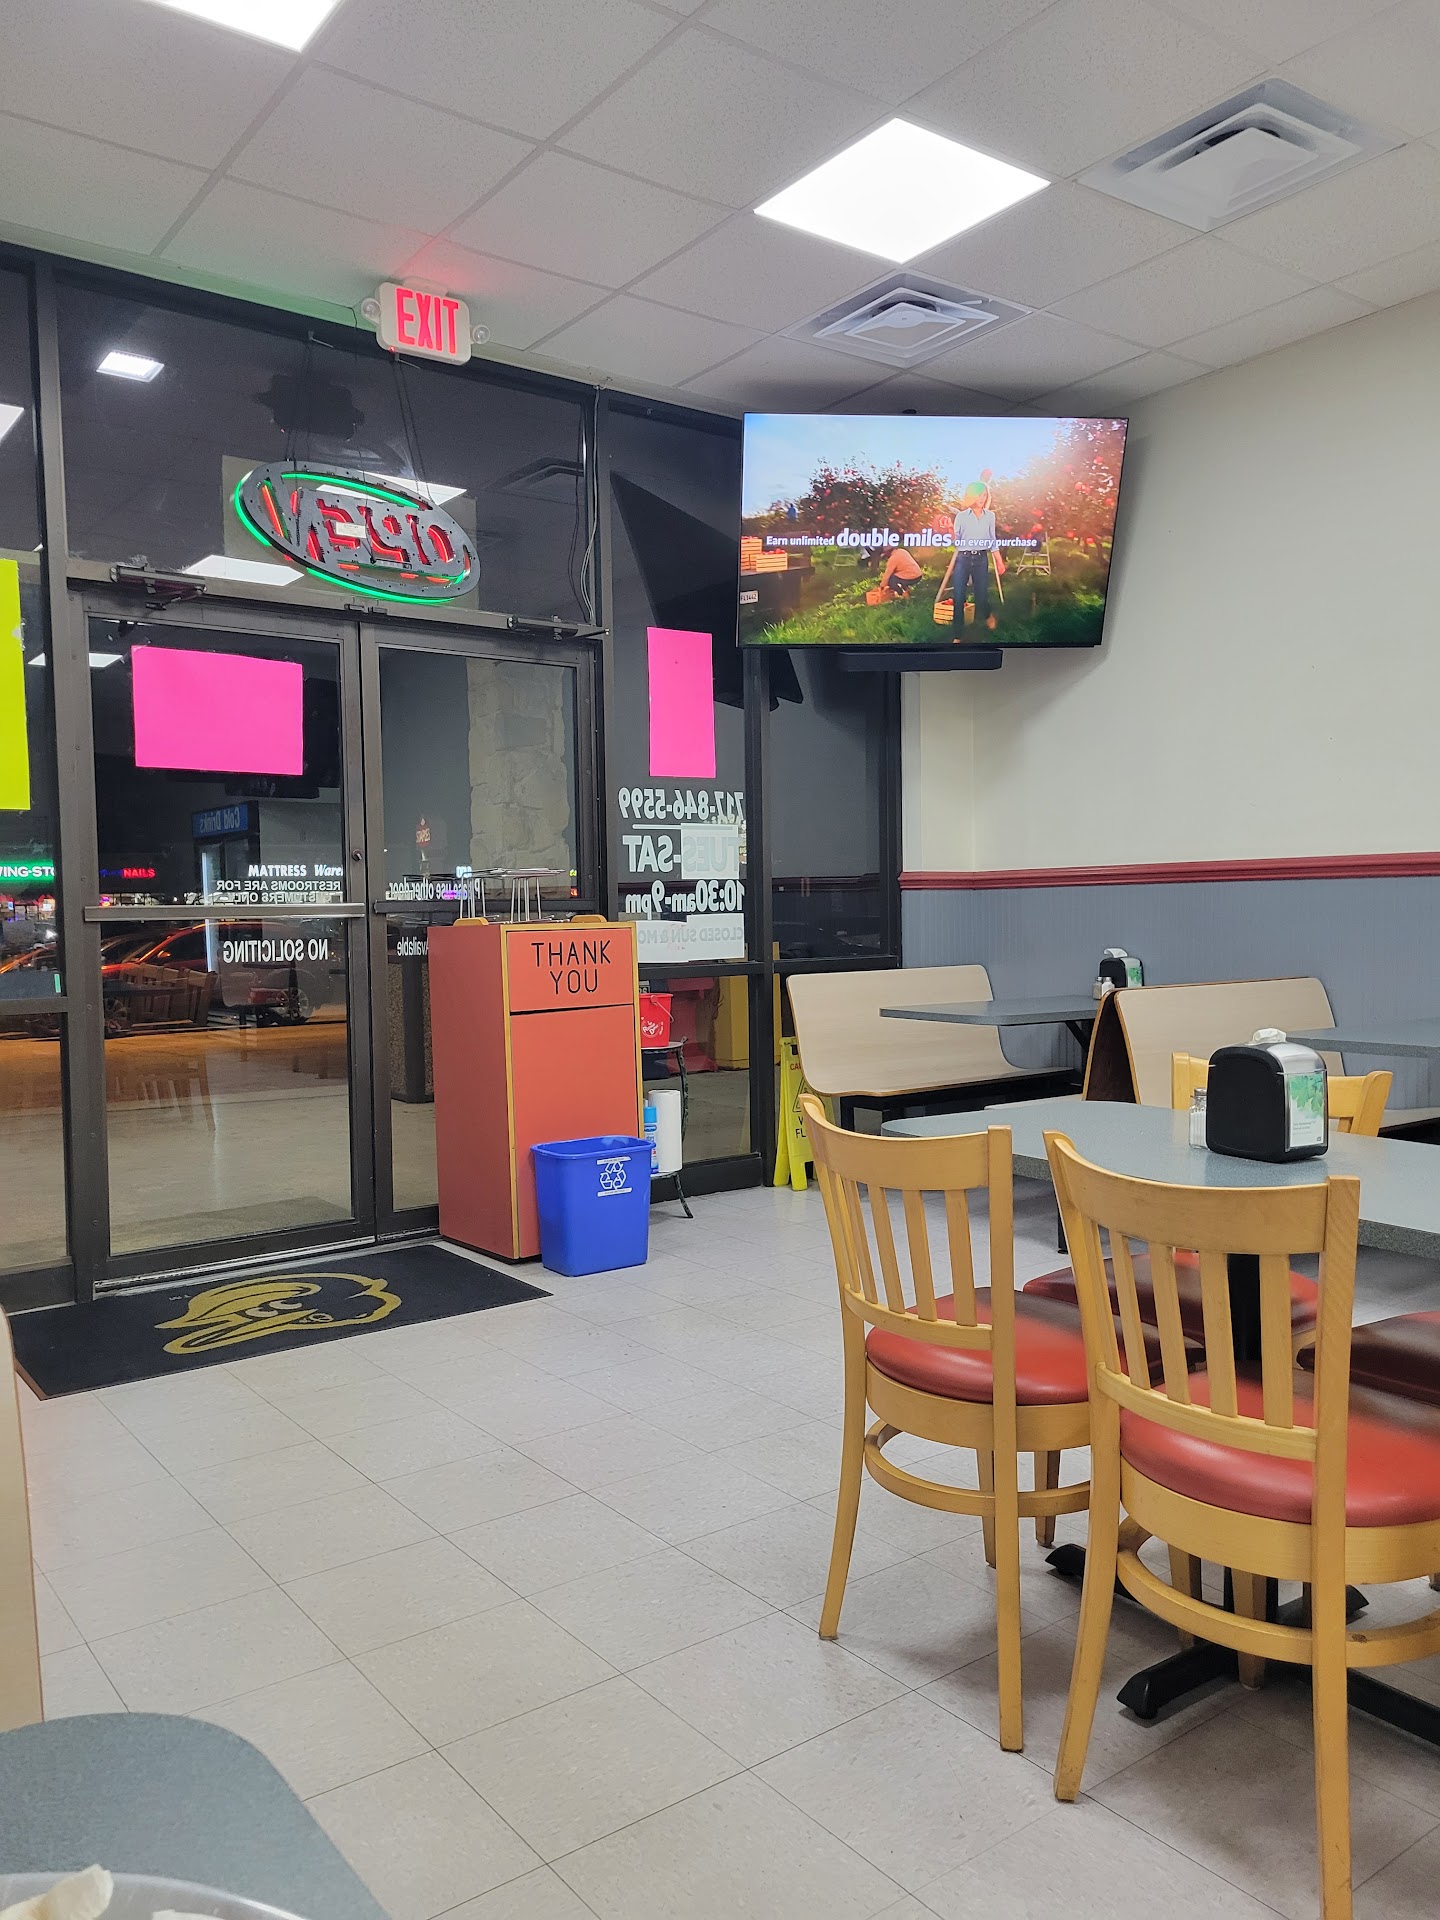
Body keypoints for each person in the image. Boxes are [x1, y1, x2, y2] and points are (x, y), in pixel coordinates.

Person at [952, 479, 998, 634]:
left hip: (981, 559)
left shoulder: (990, 516)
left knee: (981, 596)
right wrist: (950, 533)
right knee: (958, 597)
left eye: (984, 495)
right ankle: (957, 634)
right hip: (963, 559)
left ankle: (987, 615)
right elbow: (956, 541)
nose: (982, 498)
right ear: (971, 496)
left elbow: (992, 540)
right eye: (979, 495)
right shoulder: (961, 516)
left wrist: (999, 561)